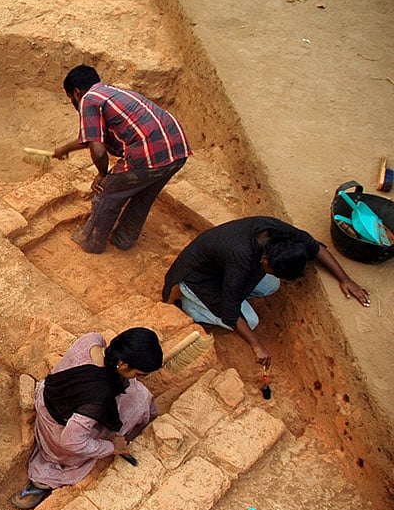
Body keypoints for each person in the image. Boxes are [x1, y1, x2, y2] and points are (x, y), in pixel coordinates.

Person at [162, 216, 370, 366]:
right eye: (274, 270)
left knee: (272, 284)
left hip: (224, 271)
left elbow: (314, 246)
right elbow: (230, 309)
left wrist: (345, 279)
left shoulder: (281, 234)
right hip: (198, 279)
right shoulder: (241, 258)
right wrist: (256, 345)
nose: (275, 274)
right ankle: (192, 307)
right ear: (266, 261)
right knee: (250, 322)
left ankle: (205, 305)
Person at [12, 328, 162, 510]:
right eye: (139, 374)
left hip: (49, 398)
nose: (139, 378)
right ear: (123, 365)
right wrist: (111, 447)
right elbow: (71, 440)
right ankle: (47, 476)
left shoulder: (92, 340)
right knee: (140, 402)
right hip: (58, 433)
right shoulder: (98, 398)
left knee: (133, 392)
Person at [51, 65, 192, 254]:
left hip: (148, 152)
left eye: (71, 98)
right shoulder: (111, 93)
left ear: (76, 92)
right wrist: (65, 149)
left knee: (107, 192)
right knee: (144, 195)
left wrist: (102, 175)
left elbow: (99, 151)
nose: (74, 103)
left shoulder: (88, 100)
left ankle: (91, 241)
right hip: (177, 148)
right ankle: (123, 239)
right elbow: (94, 136)